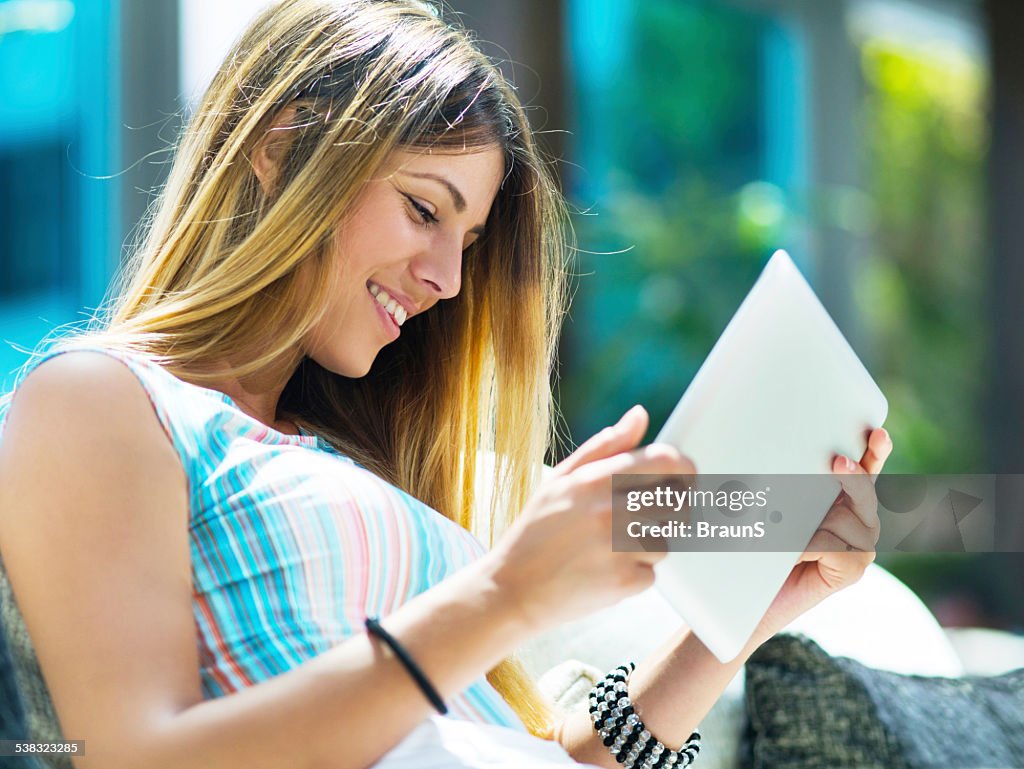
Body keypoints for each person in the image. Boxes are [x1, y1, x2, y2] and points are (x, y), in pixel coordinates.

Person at [0, 1, 892, 767]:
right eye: (424, 209)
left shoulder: (346, 455)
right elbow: (137, 756)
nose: (447, 280)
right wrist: (505, 594)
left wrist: (736, 619)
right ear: (278, 147)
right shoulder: (102, 398)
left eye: (464, 244)